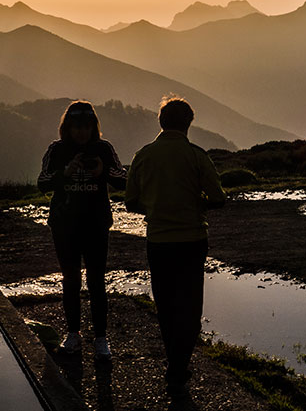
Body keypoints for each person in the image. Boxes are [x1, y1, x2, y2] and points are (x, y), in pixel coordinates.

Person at [125, 96, 226, 397]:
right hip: (193, 240)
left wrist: (155, 207)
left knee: (166, 305)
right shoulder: (197, 156)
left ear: (160, 121)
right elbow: (218, 199)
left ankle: (174, 364)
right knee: (191, 306)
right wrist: (198, 203)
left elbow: (130, 202)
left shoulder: (144, 155)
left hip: (159, 241)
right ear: (189, 123)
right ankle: (179, 366)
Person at [38, 101, 126, 361]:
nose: (81, 133)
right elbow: (41, 182)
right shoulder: (57, 150)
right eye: (76, 128)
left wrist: (102, 170)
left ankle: (101, 339)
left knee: (97, 282)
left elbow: (121, 180)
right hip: (64, 226)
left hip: (96, 224)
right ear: (67, 128)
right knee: (70, 281)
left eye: (86, 127)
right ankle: (73, 334)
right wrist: (65, 173)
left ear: (93, 127)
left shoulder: (103, 149)